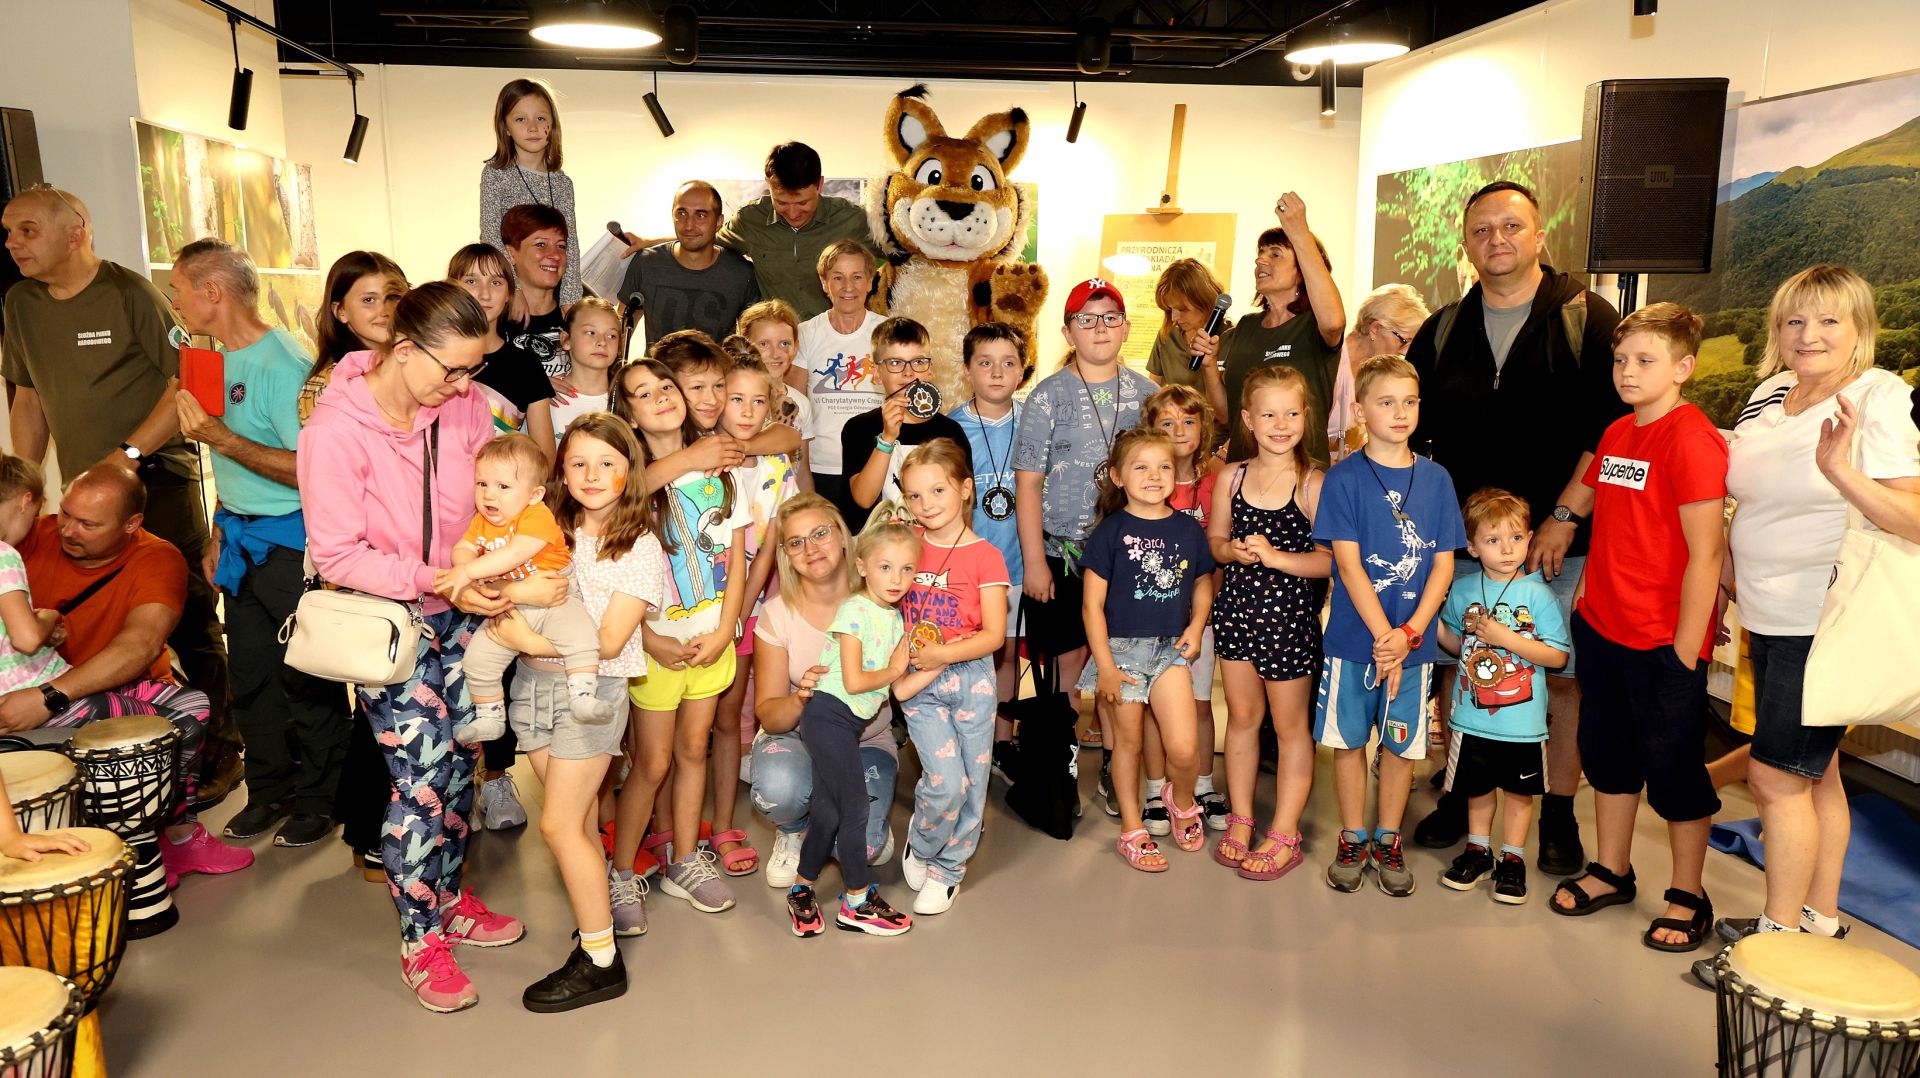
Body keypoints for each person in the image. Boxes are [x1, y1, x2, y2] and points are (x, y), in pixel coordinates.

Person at [298, 282, 534, 1013]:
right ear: (403, 349)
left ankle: (449, 898)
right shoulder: (334, 431)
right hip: (390, 624)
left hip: (464, 609)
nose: (464, 386)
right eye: (452, 369)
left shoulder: (464, 405)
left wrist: (494, 569)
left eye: (472, 369)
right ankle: (420, 938)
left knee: (463, 760)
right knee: (420, 779)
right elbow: (338, 555)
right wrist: (439, 578)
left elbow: (490, 503)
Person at [1695, 267, 1920, 978]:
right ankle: (1817, 918)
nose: (1809, 335)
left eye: (1828, 321)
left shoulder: (1878, 397)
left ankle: (1776, 940)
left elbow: (1913, 517)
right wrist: (1728, 572)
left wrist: (1840, 470)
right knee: (1815, 777)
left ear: (1859, 329)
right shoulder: (1768, 395)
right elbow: (1747, 498)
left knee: (1775, 781)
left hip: (1823, 618)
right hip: (1764, 612)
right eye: (1794, 321)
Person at [1406, 180, 1624, 874]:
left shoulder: (1587, 319)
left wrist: (1563, 516)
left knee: (1558, 680)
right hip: (1464, 543)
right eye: (1482, 230)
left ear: (1539, 237)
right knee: (1458, 666)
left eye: (1511, 226)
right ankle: (1457, 792)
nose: (1496, 239)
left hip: (1560, 542)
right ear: (1466, 245)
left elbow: (1610, 432)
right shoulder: (1443, 328)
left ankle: (1557, 813)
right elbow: (1413, 432)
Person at [1, 184, 236, 803]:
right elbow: (28, 397)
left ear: (75, 231)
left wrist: (127, 456)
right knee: (78, 619)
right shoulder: (21, 303)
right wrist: (25, 481)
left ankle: (220, 747)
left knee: (189, 619)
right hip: (84, 495)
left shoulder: (129, 293)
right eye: (8, 232)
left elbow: (185, 382)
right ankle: (113, 740)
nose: (13, 243)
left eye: (27, 230)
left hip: (159, 478)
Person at [1546, 303, 1726, 953]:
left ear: (1683, 367)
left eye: (1645, 360)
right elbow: (1609, 517)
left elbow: (1707, 552)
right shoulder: (1618, 432)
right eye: (1621, 360)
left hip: (1663, 641)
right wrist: (1586, 596)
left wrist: (1685, 649)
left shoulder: (1692, 439)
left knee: (1674, 771)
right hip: (1603, 627)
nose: (1627, 371)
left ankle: (1687, 893)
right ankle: (1612, 870)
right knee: (1607, 756)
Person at [10, 465, 253, 936]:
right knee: (175, 722)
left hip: (66, 690)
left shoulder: (157, 558)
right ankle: (154, 841)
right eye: (66, 514)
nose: (68, 530)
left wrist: (50, 696)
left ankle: (176, 835)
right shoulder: (29, 537)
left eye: (88, 524)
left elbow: (139, 646)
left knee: (192, 708)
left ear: (132, 524)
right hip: (38, 690)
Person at [166, 238, 344, 849]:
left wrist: (218, 436)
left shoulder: (284, 364)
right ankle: (270, 790)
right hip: (240, 542)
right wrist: (219, 529)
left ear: (212, 292)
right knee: (252, 678)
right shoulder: (217, 360)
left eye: (178, 290)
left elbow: (310, 471)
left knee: (308, 678)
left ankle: (321, 798)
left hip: (292, 546)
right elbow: (235, 466)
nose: (174, 302)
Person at [491, 415, 665, 1012]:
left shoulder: (639, 545)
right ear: (561, 473)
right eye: (579, 463)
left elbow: (610, 642)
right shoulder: (546, 529)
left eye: (607, 463)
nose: (592, 475)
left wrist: (523, 637)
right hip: (533, 690)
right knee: (582, 823)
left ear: (629, 471)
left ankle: (601, 962)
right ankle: (597, 925)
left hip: (591, 696)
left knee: (558, 826)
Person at [1313, 354, 1466, 899]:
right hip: (1356, 643)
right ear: (1360, 410)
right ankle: (1353, 836)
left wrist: (1409, 636)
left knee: (1402, 747)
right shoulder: (1343, 479)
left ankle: (1388, 838)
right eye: (1386, 402)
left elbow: (1443, 566)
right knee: (1350, 742)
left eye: (1409, 402)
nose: (1400, 413)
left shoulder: (1437, 479)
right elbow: (1349, 566)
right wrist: (1386, 639)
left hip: (1413, 646)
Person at [1012, 278, 1155, 813]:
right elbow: (1028, 484)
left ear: (1126, 328)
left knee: (1124, 664)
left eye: (1110, 317)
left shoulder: (1147, 394)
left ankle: (1118, 770)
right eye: (1086, 319)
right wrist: (1034, 562)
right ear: (1068, 331)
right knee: (1066, 665)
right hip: (1063, 555)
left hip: (1130, 558)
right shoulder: (1046, 397)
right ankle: (1061, 767)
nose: (1099, 328)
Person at [616, 357, 748, 915]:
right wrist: (649, 640)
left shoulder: (722, 472)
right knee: (652, 763)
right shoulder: (624, 479)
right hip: (656, 646)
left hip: (711, 639)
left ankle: (686, 859)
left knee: (696, 748)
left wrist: (725, 632)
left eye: (666, 386)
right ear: (629, 414)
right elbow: (615, 536)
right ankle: (621, 872)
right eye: (643, 393)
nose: (661, 397)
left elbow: (737, 562)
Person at [1207, 365, 1331, 880]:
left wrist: (1278, 558)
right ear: (1247, 420)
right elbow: (1215, 542)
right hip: (1237, 614)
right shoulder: (1231, 477)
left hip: (1289, 622)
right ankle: (1241, 818)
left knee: (1290, 726)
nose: (1281, 425)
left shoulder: (1313, 482)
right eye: (1269, 415)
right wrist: (1231, 551)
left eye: (1292, 414)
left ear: (1306, 416)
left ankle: (1284, 831)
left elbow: (1330, 561)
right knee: (1241, 717)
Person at [1077, 427, 1216, 872]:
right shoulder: (1110, 532)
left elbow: (1203, 582)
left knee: (1184, 749)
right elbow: (1091, 606)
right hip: (1120, 655)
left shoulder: (1187, 529)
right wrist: (1105, 667)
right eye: (1141, 467)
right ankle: (1132, 829)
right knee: (1128, 745)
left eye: (1163, 466)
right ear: (1118, 477)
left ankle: (1182, 800)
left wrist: (1196, 624)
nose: (1154, 475)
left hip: (1169, 651)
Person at [751, 494, 902, 889]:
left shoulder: (882, 593)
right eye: (796, 542)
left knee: (863, 845)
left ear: (843, 536)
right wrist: (799, 697)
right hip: (799, 736)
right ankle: (793, 828)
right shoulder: (777, 614)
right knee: (780, 790)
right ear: (786, 555)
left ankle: (860, 823)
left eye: (820, 533)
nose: (811, 548)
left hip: (867, 739)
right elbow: (769, 714)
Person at [784, 517, 917, 939]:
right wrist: (895, 667)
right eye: (885, 567)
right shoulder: (855, 610)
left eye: (907, 569)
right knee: (856, 805)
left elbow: (899, 687)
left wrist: (940, 660)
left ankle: (801, 889)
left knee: (828, 812)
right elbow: (857, 681)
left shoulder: (893, 618)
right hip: (828, 717)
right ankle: (857, 902)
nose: (896, 579)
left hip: (847, 724)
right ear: (861, 566)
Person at [1435, 489, 1570, 905]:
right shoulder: (1461, 590)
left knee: (1518, 793)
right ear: (1472, 547)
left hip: (1522, 724)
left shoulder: (1538, 594)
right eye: (1493, 540)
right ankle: (1478, 851)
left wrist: (1506, 638)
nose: (1507, 549)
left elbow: (1558, 657)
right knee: (1477, 788)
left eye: (1515, 538)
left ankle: (1512, 859)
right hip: (1471, 718)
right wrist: (1426, 621)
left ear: (1529, 538)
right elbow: (1458, 646)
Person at [444, 433, 617, 747]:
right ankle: (490, 717)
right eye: (482, 484)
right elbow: (463, 547)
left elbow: (515, 553)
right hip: (512, 605)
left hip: (555, 596)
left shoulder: (537, 516)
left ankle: (582, 696)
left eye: (503, 486)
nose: (489, 495)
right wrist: (465, 563)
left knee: (581, 636)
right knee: (477, 658)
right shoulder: (481, 521)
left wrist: (468, 573)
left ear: (535, 494)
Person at [895, 439, 1008, 914]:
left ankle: (949, 869)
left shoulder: (986, 556)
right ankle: (923, 843)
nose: (926, 504)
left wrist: (944, 652)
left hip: (972, 679)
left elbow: (994, 636)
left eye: (937, 490)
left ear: (965, 489)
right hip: (920, 681)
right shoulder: (906, 544)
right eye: (914, 495)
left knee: (973, 782)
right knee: (945, 783)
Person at [704, 355, 800, 877]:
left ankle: (721, 824)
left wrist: (739, 613)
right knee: (678, 730)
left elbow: (766, 550)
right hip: (691, 610)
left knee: (727, 717)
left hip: (745, 609)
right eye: (735, 398)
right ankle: (667, 826)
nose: (745, 411)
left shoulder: (775, 465)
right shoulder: (699, 455)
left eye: (757, 401)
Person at [1190, 194, 1346, 464]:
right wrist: (1209, 366)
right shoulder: (1245, 327)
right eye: (1260, 254)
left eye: (1275, 254)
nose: (1260, 261)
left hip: (1301, 475)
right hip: (1245, 473)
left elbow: (1334, 322)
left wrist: (1299, 231)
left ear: (1302, 271)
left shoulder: (1313, 325)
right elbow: (1228, 415)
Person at [1138, 384, 1226, 834]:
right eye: (1167, 423)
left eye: (1188, 421)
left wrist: (1202, 613)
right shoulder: (1148, 479)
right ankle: (1157, 790)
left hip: (1200, 618)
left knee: (1200, 704)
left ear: (1203, 426)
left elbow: (1220, 552)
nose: (1179, 430)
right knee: (1155, 708)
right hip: (1152, 618)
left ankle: (1203, 785)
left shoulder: (1219, 478)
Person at [952, 322, 1026, 770]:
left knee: (1007, 654)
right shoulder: (950, 427)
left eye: (1008, 363)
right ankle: (963, 740)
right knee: (962, 656)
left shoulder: (1034, 422)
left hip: (1017, 563)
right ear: (967, 370)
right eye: (985, 363)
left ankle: (1002, 740)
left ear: (1022, 370)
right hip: (966, 570)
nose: (997, 372)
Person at [714, 142, 874, 321]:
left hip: (836, 334)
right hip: (776, 335)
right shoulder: (749, 220)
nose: (792, 213)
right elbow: (707, 249)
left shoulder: (852, 219)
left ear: (820, 184)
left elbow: (896, 258)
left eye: (802, 203)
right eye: (781, 202)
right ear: (768, 185)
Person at [841, 317, 974, 521]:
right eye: (895, 363)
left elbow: (964, 506)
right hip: (879, 538)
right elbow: (864, 499)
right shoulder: (859, 428)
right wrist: (887, 439)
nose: (908, 372)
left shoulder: (950, 431)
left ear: (930, 369)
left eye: (918, 362)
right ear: (877, 373)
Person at [796, 241, 886, 515]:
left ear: (870, 282)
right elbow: (796, 409)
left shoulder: (888, 332)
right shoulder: (805, 334)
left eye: (857, 277)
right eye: (838, 278)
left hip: (877, 467)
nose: (848, 287)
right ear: (824, 283)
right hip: (821, 469)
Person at [479, 78, 583, 307]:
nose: (533, 127)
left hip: (551, 291)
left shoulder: (562, 183)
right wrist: (513, 289)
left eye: (541, 118)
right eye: (520, 119)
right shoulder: (496, 174)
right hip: (511, 291)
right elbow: (491, 237)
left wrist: (570, 301)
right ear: (505, 127)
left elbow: (571, 244)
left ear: (552, 125)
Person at [620, 181, 760, 350]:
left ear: (719, 221)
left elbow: (753, 342)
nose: (688, 225)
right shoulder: (646, 263)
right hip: (656, 367)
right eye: (681, 213)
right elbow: (622, 328)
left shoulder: (742, 274)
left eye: (700, 215)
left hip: (717, 368)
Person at [451, 243, 550, 436]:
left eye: (496, 283)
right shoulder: (435, 358)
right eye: (471, 281)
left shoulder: (527, 365)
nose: (484, 294)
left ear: (509, 294)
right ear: (452, 288)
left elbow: (543, 451)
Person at [304, 251, 408, 422]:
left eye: (394, 297)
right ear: (340, 311)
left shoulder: (414, 364)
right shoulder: (328, 385)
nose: (385, 311)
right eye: (369, 300)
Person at [1330, 284, 1430, 462]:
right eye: (1404, 341)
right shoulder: (1332, 364)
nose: (1405, 352)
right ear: (1375, 329)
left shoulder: (1381, 375)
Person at [526, 297, 621, 450]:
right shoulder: (543, 394)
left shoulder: (625, 398)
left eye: (612, 336)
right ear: (566, 340)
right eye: (591, 332)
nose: (603, 342)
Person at [737, 300, 816, 484]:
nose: (775, 353)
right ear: (744, 345)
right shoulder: (733, 400)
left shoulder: (801, 403)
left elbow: (802, 472)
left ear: (796, 347)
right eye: (764, 344)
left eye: (784, 343)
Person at [501, 203, 572, 380]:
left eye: (561, 246)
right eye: (540, 244)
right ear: (511, 254)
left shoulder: (578, 316)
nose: (555, 255)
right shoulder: (494, 318)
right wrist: (535, 386)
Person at [1146, 258, 1231, 393]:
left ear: (1205, 300)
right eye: (1170, 310)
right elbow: (1152, 389)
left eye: (1183, 309)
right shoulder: (1167, 336)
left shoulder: (1232, 336)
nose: (1174, 318)